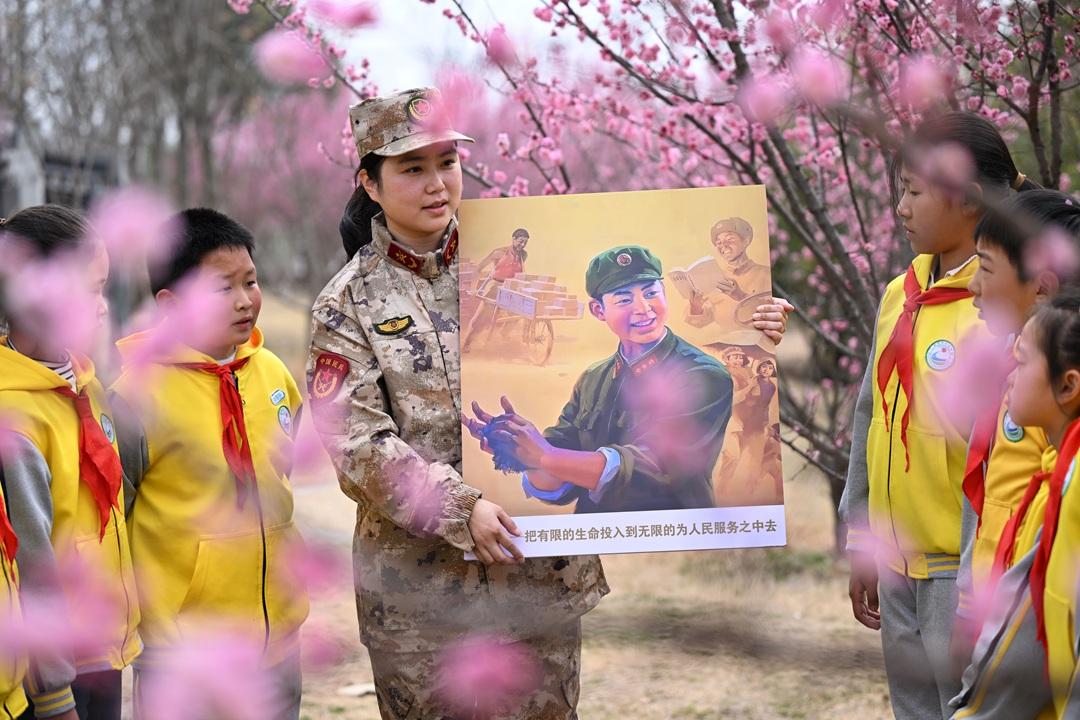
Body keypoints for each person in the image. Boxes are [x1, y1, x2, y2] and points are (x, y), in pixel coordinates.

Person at [307, 87, 608, 720]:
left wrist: (740, 328)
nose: (436, 183)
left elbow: (602, 345)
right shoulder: (347, 303)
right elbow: (355, 442)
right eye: (412, 168)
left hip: (535, 574)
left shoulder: (520, 266)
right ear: (369, 183)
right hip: (420, 596)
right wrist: (460, 509)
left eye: (447, 162)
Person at [839, 111, 1036, 720]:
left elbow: (998, 458)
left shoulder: (998, 307)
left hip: (959, 571)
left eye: (914, 192)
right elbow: (871, 413)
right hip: (896, 564)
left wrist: (979, 581)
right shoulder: (900, 294)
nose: (900, 208)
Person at [109, 208, 308, 719]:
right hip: (183, 657)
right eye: (223, 288)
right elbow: (115, 517)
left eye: (251, 281)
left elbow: (283, 469)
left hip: (277, 643)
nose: (245, 300)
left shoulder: (273, 373)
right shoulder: (135, 397)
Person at [464, 245, 734, 514]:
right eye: (624, 300)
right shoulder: (593, 379)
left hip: (674, 532)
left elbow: (658, 469)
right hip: (595, 530)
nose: (644, 308)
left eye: (651, 293)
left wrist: (547, 456)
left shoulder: (702, 375)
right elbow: (561, 480)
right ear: (598, 310)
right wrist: (519, 452)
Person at [0, 206, 140, 720]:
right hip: (58, 672)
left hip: (105, 645)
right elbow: (32, 563)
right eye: (90, 291)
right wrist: (55, 694)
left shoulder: (87, 385)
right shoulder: (14, 417)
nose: (102, 308)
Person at [947, 194, 1080, 720]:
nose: (973, 286)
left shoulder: (1054, 417)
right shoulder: (1019, 373)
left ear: (1041, 286)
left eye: (984, 267)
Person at [461, 227, 530, 352]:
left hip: (511, 288)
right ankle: (467, 343)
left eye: (525, 242)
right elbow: (478, 268)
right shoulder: (499, 252)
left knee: (520, 313)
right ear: (513, 239)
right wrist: (473, 289)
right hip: (495, 286)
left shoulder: (523, 255)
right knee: (482, 317)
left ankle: (503, 334)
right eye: (521, 241)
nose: (523, 245)